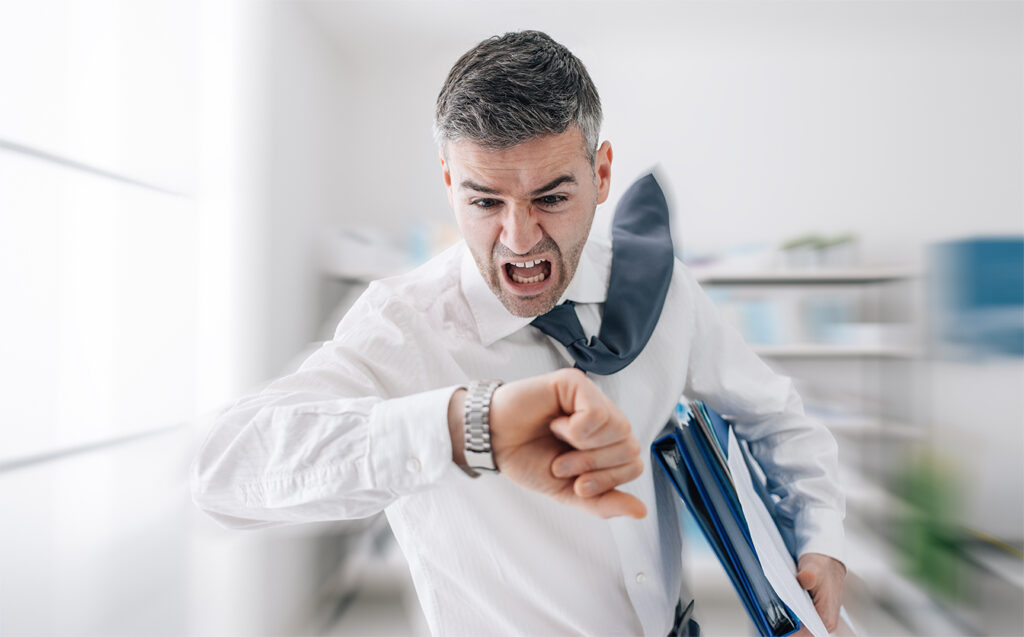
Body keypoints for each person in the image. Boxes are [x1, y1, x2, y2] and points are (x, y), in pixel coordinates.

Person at [192, 30, 845, 636]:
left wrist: (823, 538)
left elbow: (777, 418)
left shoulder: (662, 289)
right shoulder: (402, 324)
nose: (520, 238)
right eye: (485, 201)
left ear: (603, 172)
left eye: (552, 198)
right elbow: (223, 470)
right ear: (449, 181)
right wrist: (466, 426)